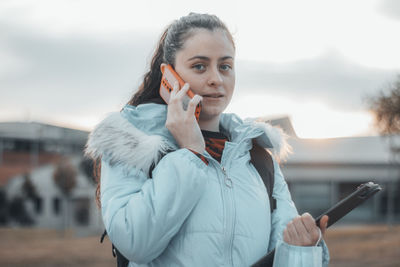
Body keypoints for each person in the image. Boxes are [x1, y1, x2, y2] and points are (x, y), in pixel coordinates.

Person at [85, 12, 330, 267]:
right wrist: (191, 153)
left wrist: (301, 249)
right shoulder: (131, 143)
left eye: (225, 66)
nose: (216, 79)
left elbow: (279, 259)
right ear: (169, 75)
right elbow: (135, 242)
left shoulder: (257, 156)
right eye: (199, 66)